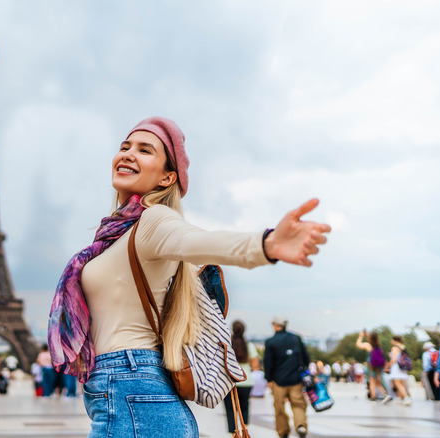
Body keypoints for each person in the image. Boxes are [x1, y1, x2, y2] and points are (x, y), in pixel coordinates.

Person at [48, 116, 331, 438]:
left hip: (132, 382)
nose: (127, 154)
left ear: (168, 177)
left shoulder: (153, 220)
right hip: (126, 384)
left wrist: (267, 244)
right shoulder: (113, 236)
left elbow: (199, 243)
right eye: (125, 147)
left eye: (144, 150)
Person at [263, 316, 310, 438]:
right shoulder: (296, 338)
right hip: (295, 378)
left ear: (275, 325)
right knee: (298, 404)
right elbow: (306, 357)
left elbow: (268, 362)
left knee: (279, 407)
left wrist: (269, 379)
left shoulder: (271, 342)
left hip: (278, 380)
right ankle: (301, 425)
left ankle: (283, 431)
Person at [222, 320, 259, 436]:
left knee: (230, 409)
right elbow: (255, 365)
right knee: (244, 407)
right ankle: (244, 431)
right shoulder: (249, 346)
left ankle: (234, 434)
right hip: (246, 381)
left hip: (229, 382)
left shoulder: (227, 345)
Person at [355, 330, 388, 400]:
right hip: (379, 366)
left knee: (372, 380)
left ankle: (374, 395)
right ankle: (384, 393)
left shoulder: (368, 345)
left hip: (371, 365)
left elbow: (358, 344)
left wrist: (361, 336)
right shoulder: (378, 346)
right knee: (377, 380)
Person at [383, 336, 412, 405]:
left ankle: (406, 397)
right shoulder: (402, 347)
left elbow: (394, 359)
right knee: (401, 383)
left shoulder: (395, 348)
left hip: (396, 367)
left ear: (395, 340)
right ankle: (400, 397)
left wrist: (388, 365)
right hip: (402, 367)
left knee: (397, 383)